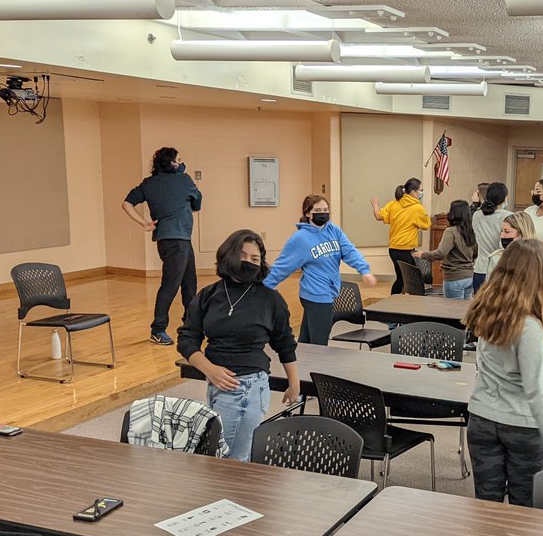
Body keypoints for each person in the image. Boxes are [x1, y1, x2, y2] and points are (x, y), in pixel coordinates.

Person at [463, 238, 543, 506]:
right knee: (524, 510)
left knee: (487, 506)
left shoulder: (489, 310)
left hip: (481, 420)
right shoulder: (528, 325)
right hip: (521, 428)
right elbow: (536, 394)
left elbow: (533, 358)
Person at [177, 230, 300, 462]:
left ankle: (234, 498)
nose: (249, 263)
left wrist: (293, 382)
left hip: (247, 386)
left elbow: (284, 342)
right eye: (243, 256)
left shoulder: (270, 299)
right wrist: (209, 369)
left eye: (255, 259)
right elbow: (187, 338)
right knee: (224, 456)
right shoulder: (208, 295)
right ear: (228, 255)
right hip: (216, 383)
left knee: (230, 459)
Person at [264, 195, 378, 345]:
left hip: (328, 293)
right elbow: (282, 266)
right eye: (317, 210)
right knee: (319, 344)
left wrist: (364, 270)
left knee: (307, 341)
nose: (323, 213)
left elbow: (350, 251)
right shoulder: (300, 238)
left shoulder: (334, 231)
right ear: (307, 213)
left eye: (325, 210)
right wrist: (261, 288)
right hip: (315, 294)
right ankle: (315, 368)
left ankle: (301, 366)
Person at [122, 147, 203, 345]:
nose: (182, 163)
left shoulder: (149, 183)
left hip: (172, 240)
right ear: (171, 163)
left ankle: (190, 324)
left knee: (189, 282)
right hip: (178, 241)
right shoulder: (184, 180)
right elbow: (197, 204)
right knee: (172, 285)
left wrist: (145, 223)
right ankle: (158, 329)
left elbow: (126, 204)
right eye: (179, 160)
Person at [488, 212, 543, 357]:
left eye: (507, 231)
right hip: (504, 325)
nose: (502, 236)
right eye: (501, 231)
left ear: (522, 233)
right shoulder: (497, 259)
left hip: (533, 327)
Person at [371, 177, 431, 295]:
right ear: (413, 192)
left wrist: (376, 206)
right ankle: (396, 302)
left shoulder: (393, 204)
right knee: (408, 279)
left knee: (401, 277)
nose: (422, 193)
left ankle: (398, 300)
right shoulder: (417, 208)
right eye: (421, 190)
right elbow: (426, 225)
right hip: (406, 250)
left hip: (393, 249)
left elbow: (378, 216)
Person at [415, 199, 477, 299]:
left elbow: (441, 253)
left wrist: (423, 255)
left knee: (452, 312)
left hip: (454, 277)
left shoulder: (450, 231)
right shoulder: (471, 231)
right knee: (464, 311)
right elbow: (475, 253)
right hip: (469, 277)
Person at [472, 182, 510, 294]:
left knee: (479, 306)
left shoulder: (477, 215)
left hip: (480, 268)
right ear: (504, 198)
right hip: (500, 269)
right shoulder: (508, 216)